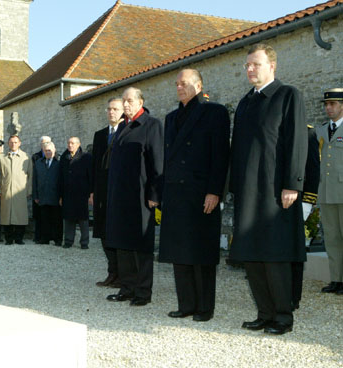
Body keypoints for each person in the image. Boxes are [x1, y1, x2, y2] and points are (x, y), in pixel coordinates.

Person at [229, 44, 307, 335]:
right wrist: (233, 187)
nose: (250, 69)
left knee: (275, 256)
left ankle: (283, 317)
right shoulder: (246, 102)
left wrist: (292, 185)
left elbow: (298, 143)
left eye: (256, 64)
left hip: (277, 193)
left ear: (272, 66)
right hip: (248, 192)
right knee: (252, 256)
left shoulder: (288, 96)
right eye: (248, 65)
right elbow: (237, 149)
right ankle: (264, 312)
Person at [158, 69, 230, 322]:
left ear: (198, 85)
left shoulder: (214, 112)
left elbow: (221, 156)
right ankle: (186, 303)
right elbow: (167, 159)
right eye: (177, 84)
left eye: (185, 84)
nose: (179, 87)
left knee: (201, 252)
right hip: (176, 193)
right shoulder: (171, 117)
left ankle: (204, 308)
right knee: (180, 252)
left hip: (201, 193)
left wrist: (215, 191)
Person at [106, 87, 164, 307]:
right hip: (121, 197)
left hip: (142, 196)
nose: (126, 105)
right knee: (123, 244)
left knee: (140, 245)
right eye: (124, 101)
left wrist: (155, 194)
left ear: (141, 101)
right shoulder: (122, 127)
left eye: (130, 100)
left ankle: (142, 291)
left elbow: (157, 162)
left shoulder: (151, 125)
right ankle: (127, 287)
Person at [92, 97, 124, 287]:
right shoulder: (100, 135)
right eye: (109, 109)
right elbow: (95, 165)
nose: (111, 112)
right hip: (102, 191)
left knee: (117, 231)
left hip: (119, 190)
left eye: (115, 109)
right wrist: (92, 191)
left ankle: (122, 273)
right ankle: (112, 272)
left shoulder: (127, 132)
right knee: (103, 231)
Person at [316, 88, 343, 295]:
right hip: (326, 192)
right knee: (332, 238)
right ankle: (336, 279)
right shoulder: (322, 130)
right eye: (326, 105)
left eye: (332, 104)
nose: (328, 108)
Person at [291, 124, 320, 310]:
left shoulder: (307, 132)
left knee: (294, 249)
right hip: (273, 202)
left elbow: (313, 169)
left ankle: (293, 296)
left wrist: (307, 202)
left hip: (298, 200)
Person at [0, 135, 32, 245]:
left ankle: (19, 238)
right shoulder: (2, 158)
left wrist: (28, 190)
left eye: (16, 142)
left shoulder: (26, 157)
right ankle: (8, 239)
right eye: (11, 142)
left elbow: (30, 175)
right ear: (8, 144)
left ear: (20, 143)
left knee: (20, 215)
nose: (13, 144)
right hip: (6, 190)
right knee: (7, 215)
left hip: (20, 191)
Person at [59, 137, 92, 249]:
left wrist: (91, 193)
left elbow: (91, 177)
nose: (70, 145)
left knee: (83, 219)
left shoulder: (86, 157)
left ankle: (84, 242)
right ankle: (68, 241)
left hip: (82, 193)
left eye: (72, 143)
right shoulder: (64, 157)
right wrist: (60, 195)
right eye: (68, 143)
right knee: (68, 218)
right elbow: (60, 177)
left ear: (78, 144)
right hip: (67, 193)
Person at [32, 141, 62, 245]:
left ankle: (57, 239)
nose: (48, 152)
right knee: (44, 219)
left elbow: (62, 181)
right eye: (46, 151)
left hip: (55, 196)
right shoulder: (38, 163)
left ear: (54, 151)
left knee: (56, 220)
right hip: (43, 196)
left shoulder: (59, 163)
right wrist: (35, 195)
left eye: (50, 150)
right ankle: (45, 238)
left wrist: (61, 196)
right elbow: (34, 180)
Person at [31, 136, 52, 242]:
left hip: (50, 191)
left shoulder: (55, 156)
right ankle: (38, 236)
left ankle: (49, 237)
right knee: (38, 215)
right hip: (40, 190)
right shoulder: (35, 157)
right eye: (43, 143)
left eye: (47, 142)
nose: (45, 145)